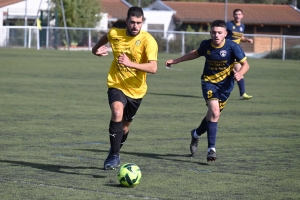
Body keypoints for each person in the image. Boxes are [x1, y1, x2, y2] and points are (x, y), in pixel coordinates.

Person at [165, 20, 250, 162]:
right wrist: (176, 60)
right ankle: (211, 149)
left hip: (226, 87)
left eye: (219, 32)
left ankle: (196, 134)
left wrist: (240, 73)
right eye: (213, 32)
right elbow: (195, 53)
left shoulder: (232, 47)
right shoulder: (206, 44)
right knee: (215, 112)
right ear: (210, 33)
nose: (216, 35)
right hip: (209, 83)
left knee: (212, 116)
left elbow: (245, 64)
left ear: (225, 34)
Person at [92, 6, 158, 170]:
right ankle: (114, 156)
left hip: (137, 90)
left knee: (125, 127)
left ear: (142, 22)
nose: (135, 26)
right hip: (116, 83)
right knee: (117, 112)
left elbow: (153, 68)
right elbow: (104, 39)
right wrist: (95, 51)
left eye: (139, 23)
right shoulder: (115, 34)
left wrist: (130, 63)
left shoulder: (148, 41)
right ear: (127, 21)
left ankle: (114, 150)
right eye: (132, 22)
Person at [226, 8, 253, 100]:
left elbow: (241, 37)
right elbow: (229, 34)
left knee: (240, 72)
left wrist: (247, 40)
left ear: (242, 16)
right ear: (233, 16)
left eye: (239, 14)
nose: (237, 16)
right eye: (236, 14)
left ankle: (243, 94)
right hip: (226, 51)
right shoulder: (229, 25)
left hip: (234, 52)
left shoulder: (242, 26)